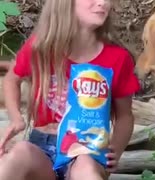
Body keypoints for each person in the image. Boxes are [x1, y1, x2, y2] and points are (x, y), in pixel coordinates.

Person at [0, 0, 140, 179]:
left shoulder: (117, 58)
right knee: (20, 153)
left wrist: (116, 150)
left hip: (87, 150)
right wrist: (15, 118)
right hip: (42, 147)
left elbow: (125, 116)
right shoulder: (41, 47)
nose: (102, 3)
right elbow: (12, 79)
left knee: (86, 166)